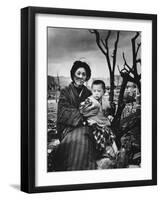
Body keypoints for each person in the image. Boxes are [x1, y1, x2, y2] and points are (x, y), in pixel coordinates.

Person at [54, 60, 99, 171]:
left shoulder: (88, 93)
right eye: (78, 73)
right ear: (73, 74)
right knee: (80, 138)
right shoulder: (65, 92)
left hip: (85, 127)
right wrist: (82, 116)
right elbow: (63, 111)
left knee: (85, 137)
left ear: (86, 77)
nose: (80, 76)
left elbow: (94, 110)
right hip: (67, 128)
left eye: (84, 74)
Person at [79, 80, 118, 156]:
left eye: (99, 91)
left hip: (100, 121)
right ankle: (105, 151)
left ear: (103, 92)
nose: (96, 93)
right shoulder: (90, 100)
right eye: (94, 91)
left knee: (109, 131)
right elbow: (82, 109)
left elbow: (106, 111)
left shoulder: (104, 100)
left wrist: (109, 115)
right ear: (91, 91)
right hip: (91, 122)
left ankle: (116, 151)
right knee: (101, 133)